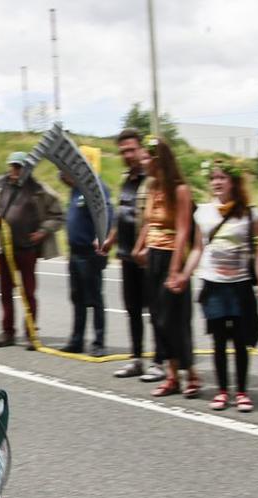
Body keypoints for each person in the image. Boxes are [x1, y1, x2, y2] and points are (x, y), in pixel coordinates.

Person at [189, 160, 258, 412]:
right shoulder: (202, 212)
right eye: (213, 178)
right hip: (213, 284)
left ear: (233, 182)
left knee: (241, 341)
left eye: (222, 177)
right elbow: (197, 248)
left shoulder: (251, 214)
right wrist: (183, 274)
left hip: (240, 285)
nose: (217, 182)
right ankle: (221, 392)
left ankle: (241, 391)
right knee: (218, 341)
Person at [132, 136, 197, 397]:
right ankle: (172, 376)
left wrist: (175, 268)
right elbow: (149, 222)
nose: (143, 162)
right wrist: (140, 246)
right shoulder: (151, 188)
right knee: (159, 318)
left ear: (160, 160)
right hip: (154, 256)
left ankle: (191, 374)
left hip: (173, 256)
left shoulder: (180, 190)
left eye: (147, 158)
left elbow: (182, 230)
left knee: (176, 319)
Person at [0, 152, 64, 349]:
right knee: (4, 292)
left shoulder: (38, 189)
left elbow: (58, 214)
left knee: (28, 292)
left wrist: (43, 231)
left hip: (27, 249)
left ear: (27, 168)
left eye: (20, 167)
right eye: (13, 166)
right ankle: (8, 332)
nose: (16, 170)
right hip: (4, 249)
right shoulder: (0, 187)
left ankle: (30, 333)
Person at [103, 129, 157, 379]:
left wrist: (143, 245)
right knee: (133, 309)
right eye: (123, 151)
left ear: (141, 149)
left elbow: (152, 217)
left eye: (131, 150)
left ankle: (159, 361)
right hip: (126, 256)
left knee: (155, 310)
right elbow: (121, 215)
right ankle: (137, 358)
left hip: (147, 256)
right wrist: (109, 241)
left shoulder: (152, 179)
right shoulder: (126, 178)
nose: (127, 155)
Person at [59, 149, 113, 355]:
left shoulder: (97, 187)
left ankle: (98, 343)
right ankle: (77, 340)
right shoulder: (76, 188)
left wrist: (102, 238)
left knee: (95, 299)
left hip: (90, 253)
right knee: (77, 298)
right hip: (74, 253)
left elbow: (108, 213)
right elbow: (62, 175)